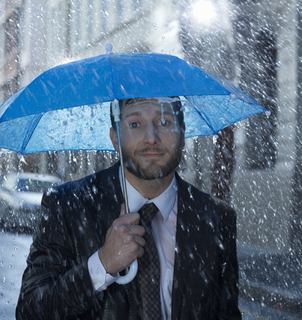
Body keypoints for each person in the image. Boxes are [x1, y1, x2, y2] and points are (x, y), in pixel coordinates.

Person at [16, 98, 241, 320]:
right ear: (115, 138)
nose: (151, 138)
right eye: (135, 124)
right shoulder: (68, 206)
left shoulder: (216, 217)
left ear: (182, 134)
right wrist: (102, 264)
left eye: (164, 123)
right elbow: (31, 311)